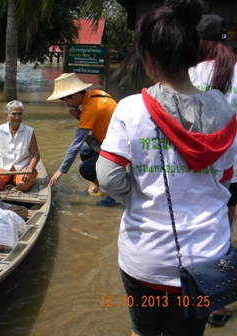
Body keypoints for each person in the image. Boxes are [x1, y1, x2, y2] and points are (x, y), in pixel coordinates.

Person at [96, 0, 237, 335]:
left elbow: (108, 177)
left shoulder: (131, 108)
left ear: (149, 58)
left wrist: (138, 197)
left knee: (143, 332)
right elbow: (228, 182)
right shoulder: (228, 113)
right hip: (208, 260)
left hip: (146, 259)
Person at [189, 13, 237, 327]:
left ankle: (192, 299)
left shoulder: (188, 72)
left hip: (196, 167)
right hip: (234, 169)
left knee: (197, 229)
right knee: (224, 233)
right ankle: (218, 307)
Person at [47, 72, 118, 206]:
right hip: (110, 140)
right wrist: (80, 115)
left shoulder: (90, 108)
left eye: (66, 100)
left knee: (85, 169)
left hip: (118, 147)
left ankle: (114, 194)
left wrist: (61, 170)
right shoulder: (96, 94)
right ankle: (95, 187)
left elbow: (76, 143)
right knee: (86, 151)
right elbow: (99, 122)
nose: (67, 104)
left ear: (74, 95)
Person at [0, 100, 40, 192]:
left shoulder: (29, 131)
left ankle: (19, 179)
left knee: (22, 185)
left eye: (20, 114)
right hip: (3, 167)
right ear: (6, 116)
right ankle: (8, 179)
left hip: (23, 168)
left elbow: (36, 155)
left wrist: (29, 170)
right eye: (13, 114)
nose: (17, 117)